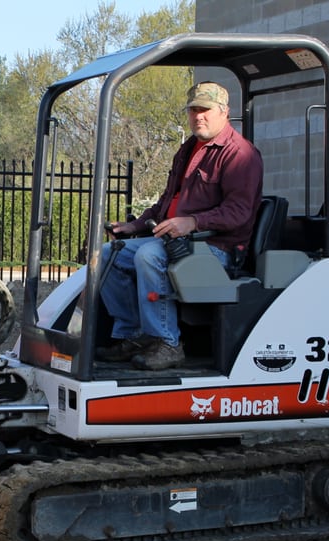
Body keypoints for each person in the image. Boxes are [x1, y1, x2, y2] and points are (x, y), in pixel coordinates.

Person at [95, 81, 264, 370]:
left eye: (205, 110)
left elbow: (239, 212)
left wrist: (193, 222)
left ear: (224, 112)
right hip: (179, 240)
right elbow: (167, 202)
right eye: (193, 110)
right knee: (112, 253)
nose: (198, 116)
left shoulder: (240, 155)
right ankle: (134, 334)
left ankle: (168, 342)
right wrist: (134, 226)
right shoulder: (189, 148)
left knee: (149, 255)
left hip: (217, 247)